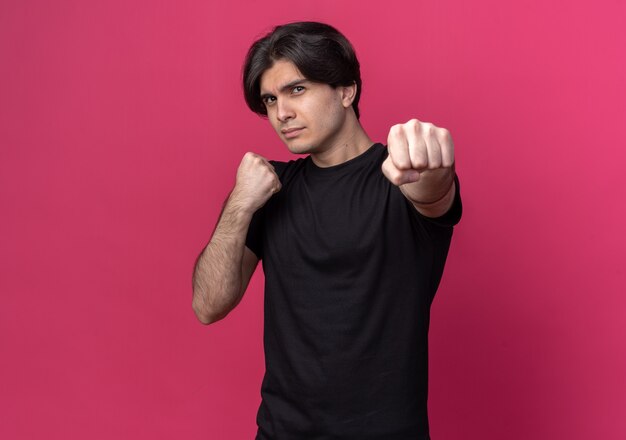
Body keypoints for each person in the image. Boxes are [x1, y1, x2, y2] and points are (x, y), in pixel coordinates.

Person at [192, 21, 462, 440]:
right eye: (269, 99)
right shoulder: (270, 190)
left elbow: (433, 190)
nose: (281, 113)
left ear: (345, 91)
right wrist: (240, 204)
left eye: (296, 90)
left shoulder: (400, 177)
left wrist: (431, 164)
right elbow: (208, 305)